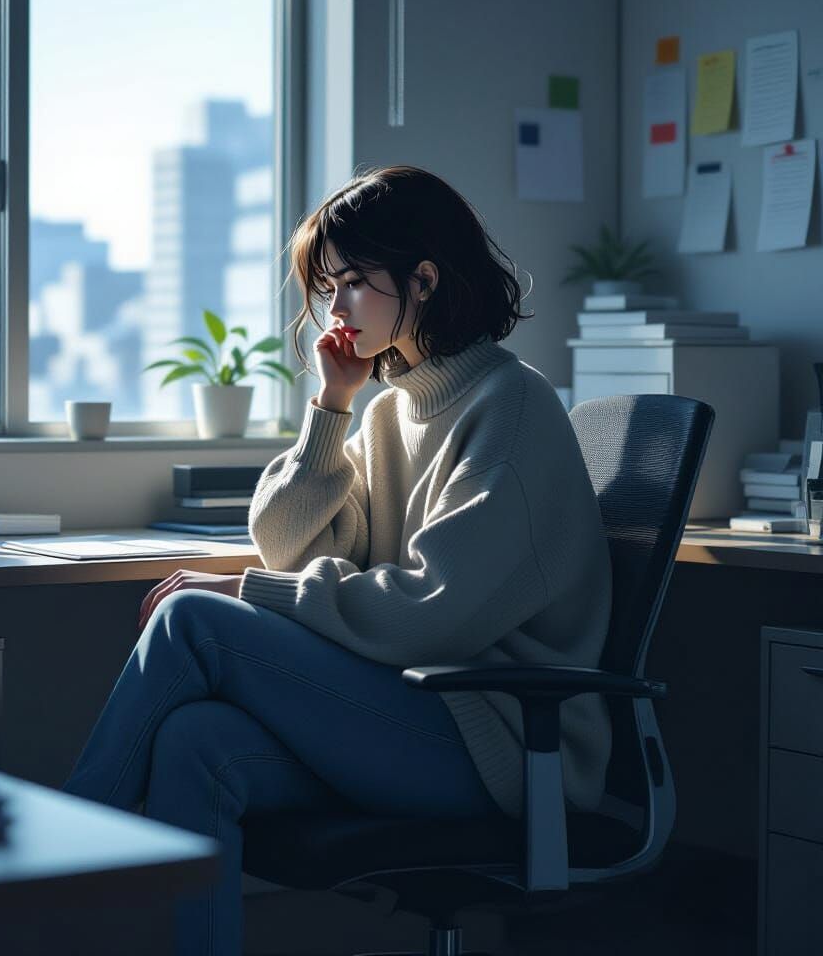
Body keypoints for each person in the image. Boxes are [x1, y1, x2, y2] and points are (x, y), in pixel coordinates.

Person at [63, 165, 612, 956]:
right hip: (413, 715)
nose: (336, 308)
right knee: (195, 742)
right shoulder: (395, 412)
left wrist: (252, 593)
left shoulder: (512, 407)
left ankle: (53, 887)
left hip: (500, 746)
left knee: (193, 618)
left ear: (424, 280)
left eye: (353, 282)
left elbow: (433, 613)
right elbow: (291, 543)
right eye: (328, 287)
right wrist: (332, 406)